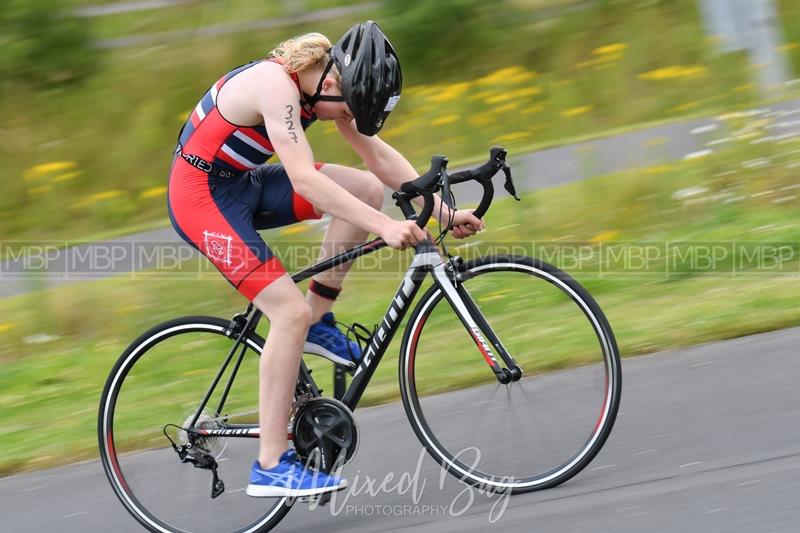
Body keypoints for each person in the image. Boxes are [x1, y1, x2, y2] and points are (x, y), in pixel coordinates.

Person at [167, 20, 484, 498]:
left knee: (364, 188)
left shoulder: (325, 83)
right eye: (352, 108)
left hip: (240, 185)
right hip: (199, 199)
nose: (350, 117)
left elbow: (375, 157)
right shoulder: (278, 87)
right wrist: (385, 227)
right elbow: (304, 181)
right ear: (333, 83)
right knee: (285, 312)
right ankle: (270, 464)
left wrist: (441, 210)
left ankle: (317, 319)